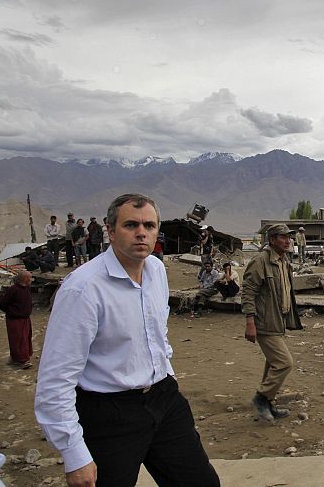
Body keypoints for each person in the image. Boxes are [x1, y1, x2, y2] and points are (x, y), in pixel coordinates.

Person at [34, 193, 219, 487]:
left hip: (163, 398)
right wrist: (74, 454)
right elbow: (55, 379)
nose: (141, 233)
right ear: (110, 230)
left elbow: (157, 335)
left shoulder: (157, 271)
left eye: (149, 225)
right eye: (131, 225)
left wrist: (165, 374)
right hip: (109, 413)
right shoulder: (83, 289)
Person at [242, 223, 303, 424]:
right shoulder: (260, 261)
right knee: (284, 362)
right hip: (264, 322)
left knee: (272, 365)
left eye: (289, 237)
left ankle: (268, 404)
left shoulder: (284, 262)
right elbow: (248, 292)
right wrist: (250, 322)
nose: (288, 241)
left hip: (279, 321)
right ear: (272, 240)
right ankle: (261, 399)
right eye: (283, 237)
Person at [0, 271, 34, 369]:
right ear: (25, 279)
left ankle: (18, 358)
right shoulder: (13, 290)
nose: (31, 280)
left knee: (25, 338)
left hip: (25, 319)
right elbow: (3, 304)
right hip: (15, 320)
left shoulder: (27, 288)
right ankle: (23, 360)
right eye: (30, 278)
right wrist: (13, 312)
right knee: (18, 340)